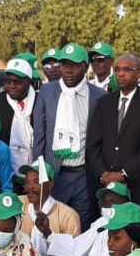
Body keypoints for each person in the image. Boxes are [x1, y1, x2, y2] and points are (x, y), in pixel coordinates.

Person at [33, 43, 107, 230]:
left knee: (82, 226)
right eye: (64, 65)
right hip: (56, 175)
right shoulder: (47, 92)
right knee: (54, 224)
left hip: (84, 174)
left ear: (85, 66)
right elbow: (40, 136)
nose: (68, 70)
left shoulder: (98, 96)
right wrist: (40, 174)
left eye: (74, 65)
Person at [88, 53, 140, 224]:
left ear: (139, 74)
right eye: (117, 69)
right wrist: (104, 173)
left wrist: (123, 174)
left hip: (137, 187)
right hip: (105, 186)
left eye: (127, 69)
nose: (120, 74)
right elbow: (93, 145)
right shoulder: (104, 103)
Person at [47, 181, 132, 256]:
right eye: (105, 203)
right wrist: (48, 233)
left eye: (113, 202)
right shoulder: (101, 222)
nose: (108, 207)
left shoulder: (136, 228)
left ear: (127, 204)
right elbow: (76, 246)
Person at [0, 58, 38, 192]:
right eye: (8, 81)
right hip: (6, 176)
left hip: (36, 174)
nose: (11, 86)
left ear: (29, 81)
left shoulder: (41, 103)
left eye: (17, 82)